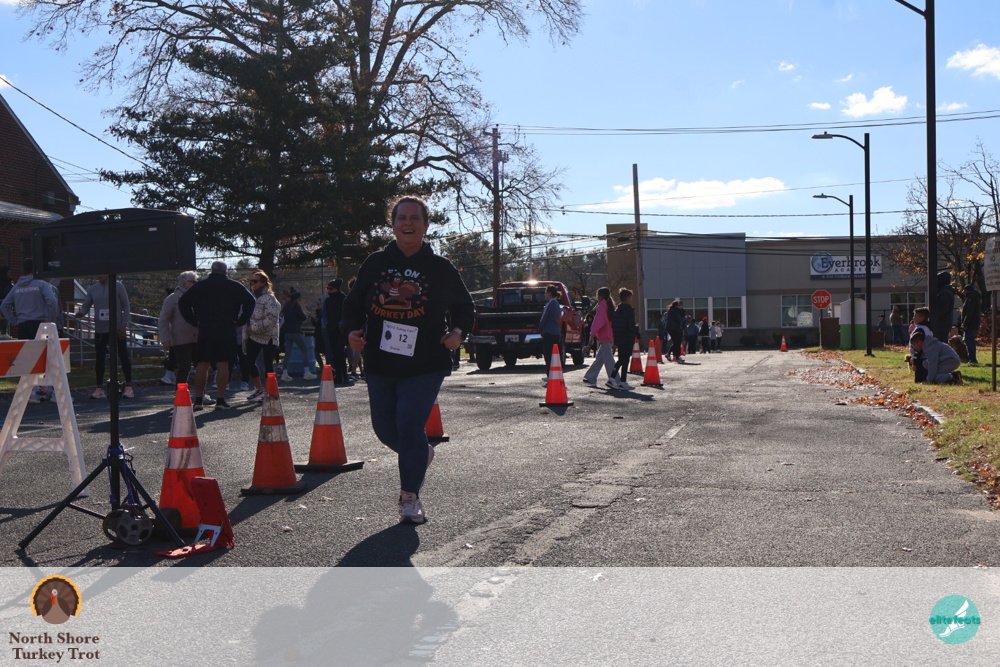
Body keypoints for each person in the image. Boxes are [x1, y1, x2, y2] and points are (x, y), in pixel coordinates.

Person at [343, 195, 474, 525]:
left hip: (426, 362)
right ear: (393, 224)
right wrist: (352, 332)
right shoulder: (375, 263)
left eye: (415, 218)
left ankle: (409, 497)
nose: (408, 223)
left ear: (426, 225)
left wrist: (458, 333)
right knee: (385, 429)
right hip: (381, 361)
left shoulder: (439, 267)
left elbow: (464, 306)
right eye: (402, 218)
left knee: (409, 425)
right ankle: (420, 453)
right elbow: (354, 304)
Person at [178, 260, 256, 411]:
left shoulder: (200, 286)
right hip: (226, 328)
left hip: (205, 328)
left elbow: (183, 303)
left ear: (211, 271)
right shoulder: (234, 286)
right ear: (226, 272)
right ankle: (220, 399)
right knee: (223, 364)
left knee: (202, 364)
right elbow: (250, 301)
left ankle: (198, 399)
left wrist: (193, 320)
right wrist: (241, 321)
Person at [0, 258, 58, 402]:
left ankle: (31, 392)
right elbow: (52, 301)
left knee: (27, 360)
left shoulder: (17, 287)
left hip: (23, 326)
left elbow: (4, 306)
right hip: (40, 325)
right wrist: (51, 320)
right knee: (47, 357)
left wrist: (13, 321)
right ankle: (49, 389)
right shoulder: (42, 284)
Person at [75, 275, 134, 400]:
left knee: (123, 355)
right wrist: (82, 313)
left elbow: (126, 306)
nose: (99, 276)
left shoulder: (118, 286)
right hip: (101, 329)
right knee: (100, 358)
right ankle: (99, 389)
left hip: (117, 328)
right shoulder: (93, 289)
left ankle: (129, 386)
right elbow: (86, 305)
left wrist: (124, 324)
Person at [244, 270, 282, 402]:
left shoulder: (270, 298)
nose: (252, 283)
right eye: (251, 281)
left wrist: (254, 327)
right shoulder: (253, 297)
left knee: (268, 365)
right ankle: (259, 388)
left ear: (263, 283)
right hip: (255, 335)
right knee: (249, 361)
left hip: (268, 336)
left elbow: (272, 319)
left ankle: (271, 391)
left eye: (255, 281)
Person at [158, 271, 199, 389]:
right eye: (193, 282)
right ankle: (180, 394)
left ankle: (201, 394)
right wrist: (165, 339)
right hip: (180, 339)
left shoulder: (198, 297)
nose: (196, 284)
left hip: (198, 338)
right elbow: (163, 319)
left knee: (201, 366)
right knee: (184, 368)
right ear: (185, 283)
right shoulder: (172, 298)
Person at [582, 287, 619, 389]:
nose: (597, 297)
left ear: (601, 296)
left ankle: (615, 380)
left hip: (604, 336)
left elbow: (598, 322)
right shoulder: (609, 305)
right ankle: (590, 376)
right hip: (609, 335)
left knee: (608, 360)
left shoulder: (602, 306)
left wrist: (592, 335)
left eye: (597, 295)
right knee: (600, 358)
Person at [281, 289, 317, 381]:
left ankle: (284, 373)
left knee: (287, 353)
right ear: (297, 299)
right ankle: (307, 372)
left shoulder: (286, 306)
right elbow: (303, 317)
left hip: (287, 331)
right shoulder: (296, 306)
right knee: (304, 350)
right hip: (296, 331)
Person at [610, 287, 638, 390]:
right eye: (631, 297)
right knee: (625, 360)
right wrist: (636, 332)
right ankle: (623, 381)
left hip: (619, 337)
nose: (631, 299)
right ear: (628, 298)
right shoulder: (629, 310)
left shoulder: (617, 310)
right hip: (627, 337)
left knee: (620, 360)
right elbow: (631, 325)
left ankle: (612, 378)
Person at [323, 278, 349, 384]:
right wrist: (327, 324)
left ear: (336, 288)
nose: (328, 291)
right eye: (328, 288)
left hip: (342, 329)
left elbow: (347, 313)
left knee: (340, 352)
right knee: (334, 353)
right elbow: (325, 314)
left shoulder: (344, 299)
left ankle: (344, 375)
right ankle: (339, 375)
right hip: (331, 328)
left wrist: (344, 323)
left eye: (330, 288)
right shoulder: (328, 300)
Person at [538, 284, 563, 375]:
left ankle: (550, 374)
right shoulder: (557, 304)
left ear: (549, 293)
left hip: (548, 332)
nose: (545, 294)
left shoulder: (550, 304)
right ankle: (556, 374)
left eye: (546, 292)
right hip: (556, 332)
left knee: (548, 354)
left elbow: (544, 318)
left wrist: (540, 328)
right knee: (555, 355)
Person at [960, 283, 981, 364]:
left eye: (965, 291)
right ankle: (972, 358)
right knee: (971, 341)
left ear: (968, 291)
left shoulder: (971, 299)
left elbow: (969, 313)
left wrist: (965, 324)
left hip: (970, 324)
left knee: (969, 341)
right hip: (974, 324)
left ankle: (972, 359)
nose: (964, 293)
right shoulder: (975, 297)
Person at [933, 271, 957, 342]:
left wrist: (933, 317)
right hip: (944, 323)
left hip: (941, 324)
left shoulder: (944, 293)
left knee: (940, 343)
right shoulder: (945, 292)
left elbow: (941, 310)